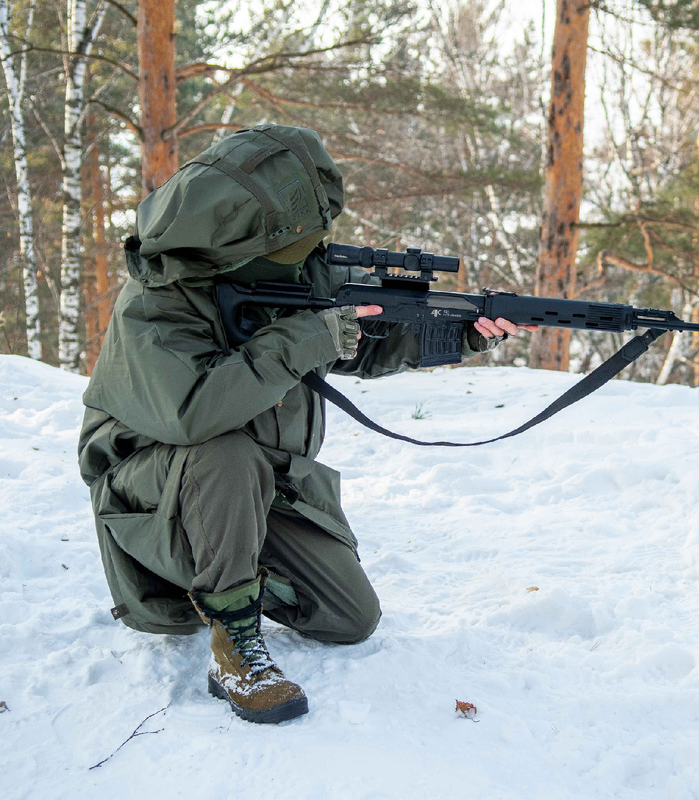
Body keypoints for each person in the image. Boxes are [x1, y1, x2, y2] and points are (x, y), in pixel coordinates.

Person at [78, 124, 534, 724]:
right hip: (159, 494)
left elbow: (352, 344)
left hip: (261, 487)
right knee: (224, 454)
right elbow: (193, 412)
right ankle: (234, 645)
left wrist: (461, 334)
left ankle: (233, 570)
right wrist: (310, 336)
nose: (309, 255)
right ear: (241, 234)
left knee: (349, 618)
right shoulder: (157, 300)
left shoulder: (284, 268)